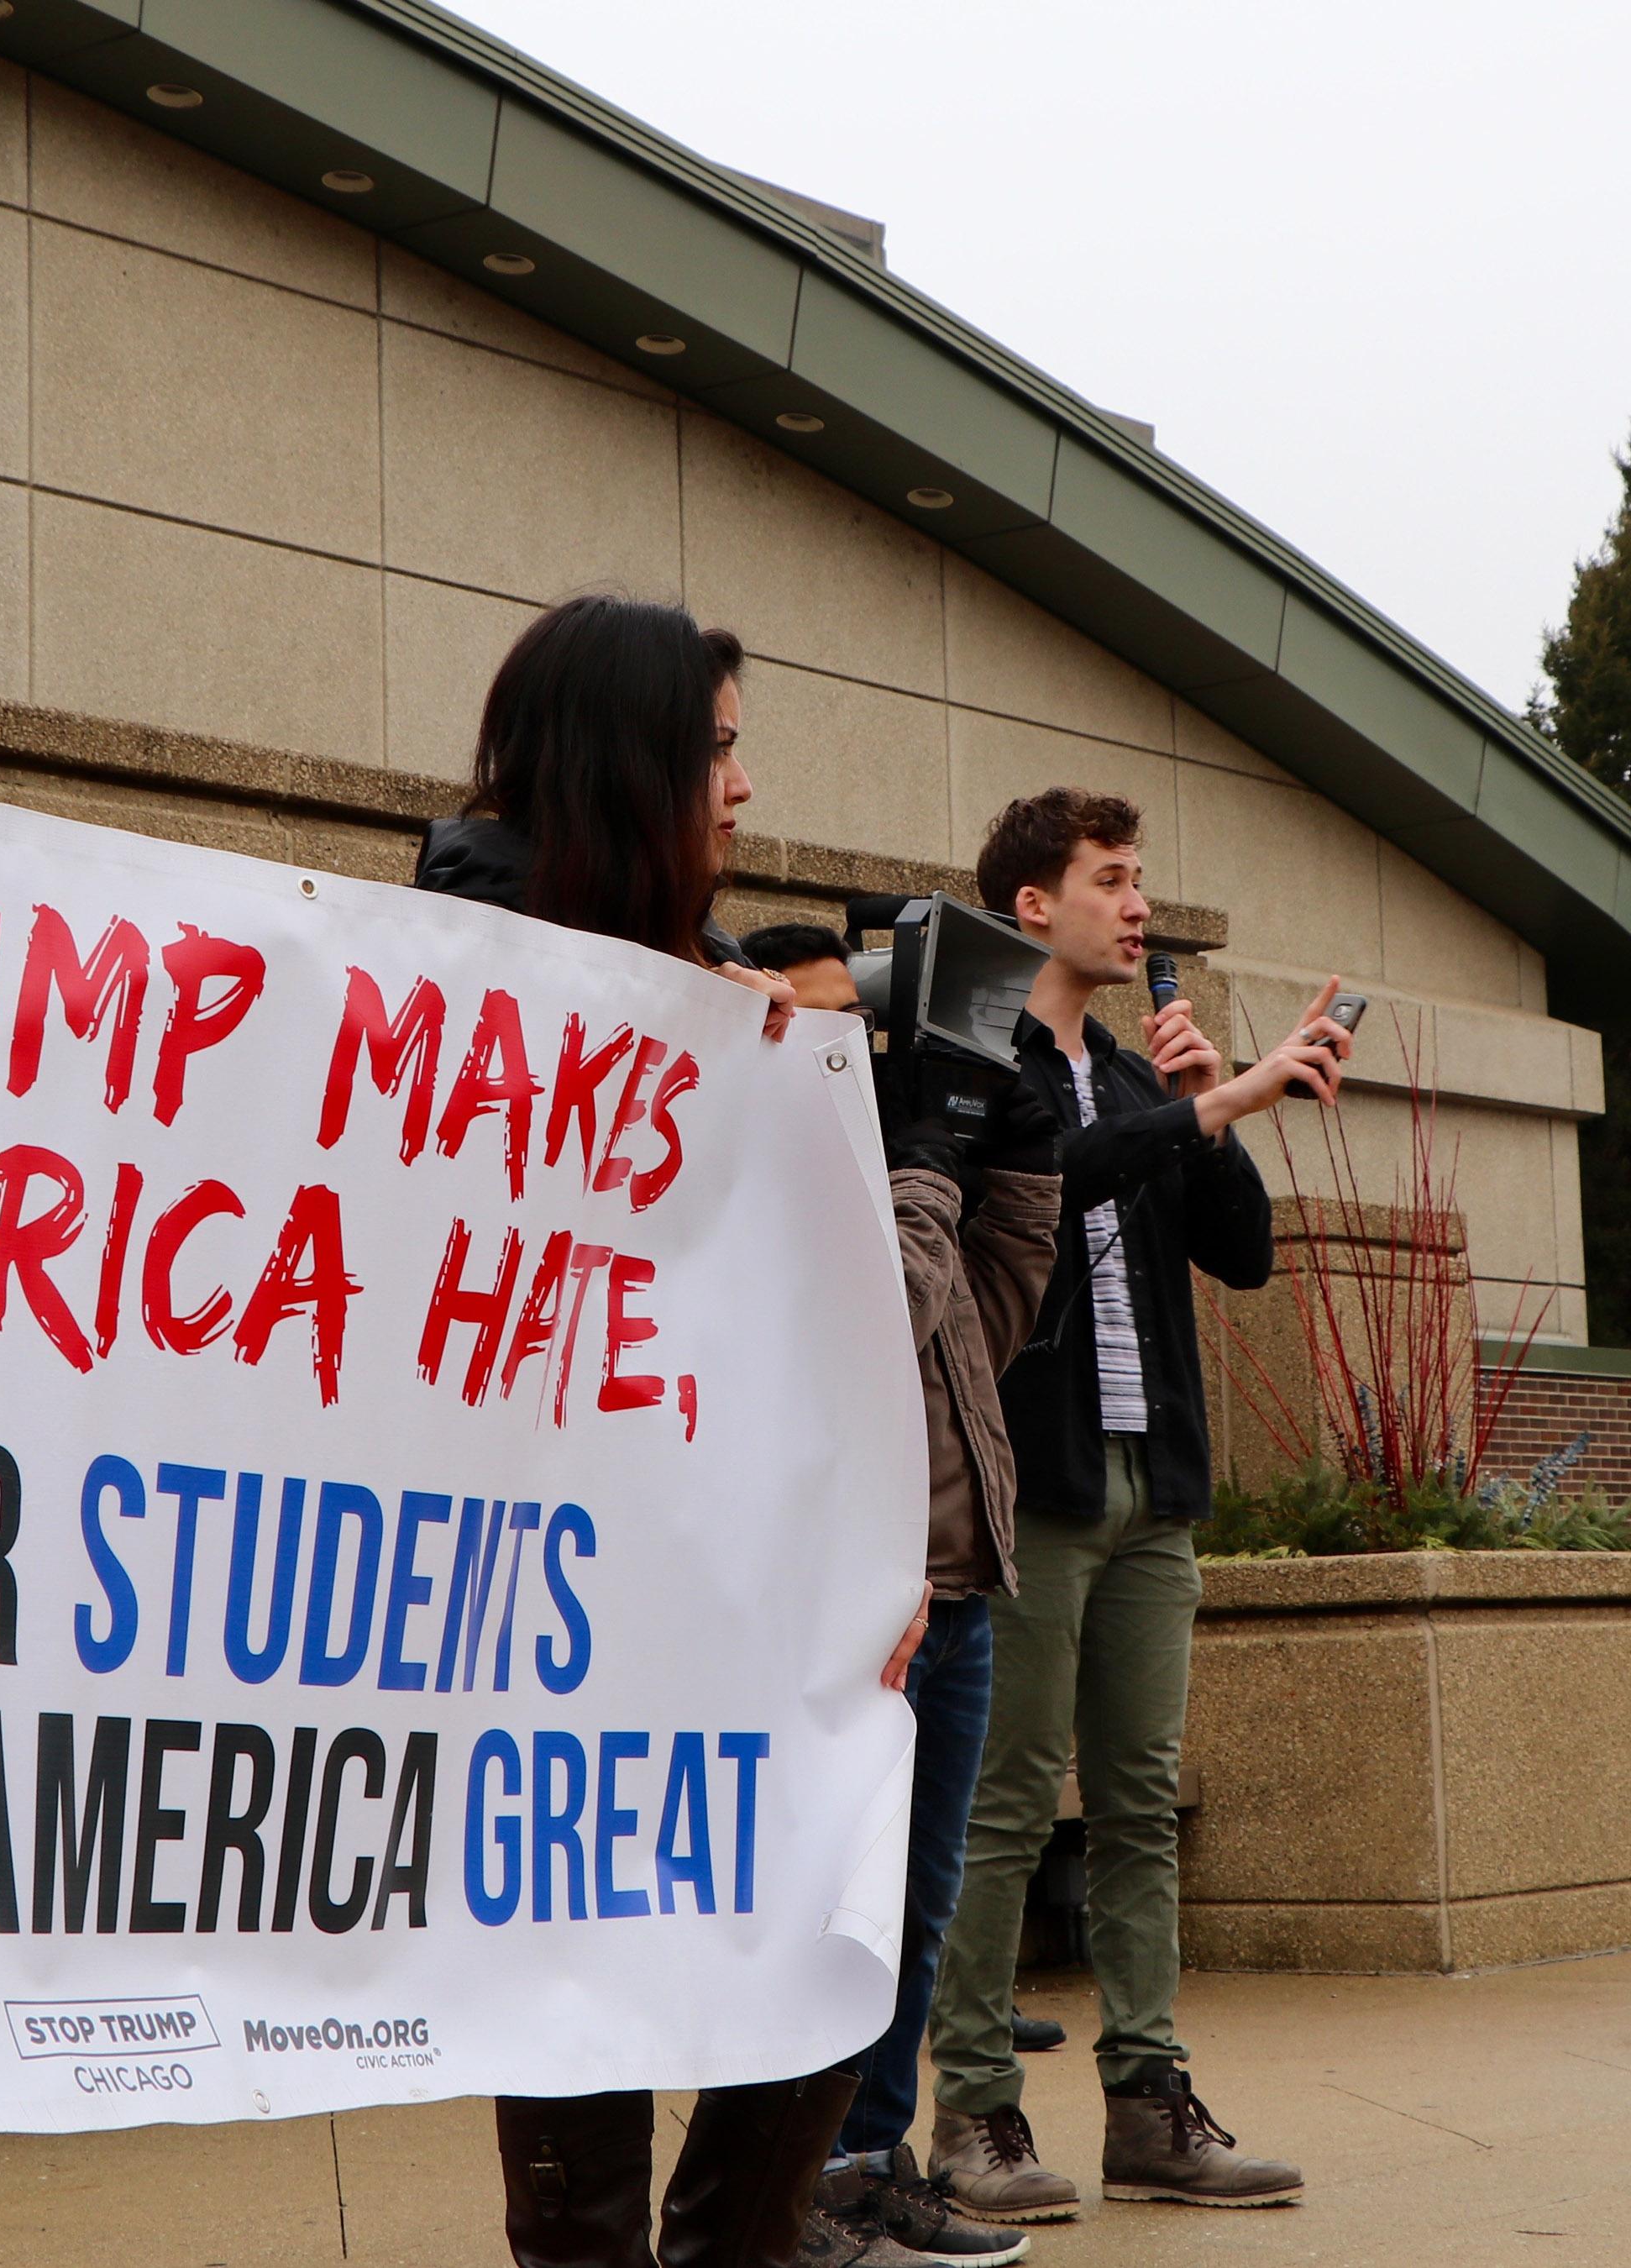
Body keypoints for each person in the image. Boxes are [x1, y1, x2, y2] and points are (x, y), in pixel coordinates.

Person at [415, 600, 924, 2268]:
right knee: (581, 2042)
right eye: (715, 749)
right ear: (629, 763)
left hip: (741, 1615)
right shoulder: (457, 990)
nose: (746, 789)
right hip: (543, 1645)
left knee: (825, 1942)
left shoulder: (728, 1007)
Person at [926, 791, 1348, 2223]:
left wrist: (1208, 1114)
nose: (1139, 907)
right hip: (1033, 1484)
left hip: (1149, 1482)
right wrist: (1204, 1107)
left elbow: (1243, 1258)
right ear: (1032, 906)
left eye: (1143, 880)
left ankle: (1149, 2104)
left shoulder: (1139, 1073)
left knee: (1138, 1807)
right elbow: (1063, 1172)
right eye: (1113, 880)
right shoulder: (978, 1063)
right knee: (1003, 1805)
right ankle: (973, 2114)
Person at [741, 925, 1055, 2267]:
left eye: (849, 1036)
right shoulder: (778, 1193)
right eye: (808, 1034)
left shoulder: (891, 1173)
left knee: (915, 1913)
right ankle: (785, 2188)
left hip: (958, 1595)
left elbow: (990, 1300)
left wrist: (1020, 1151)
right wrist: (927, 1156)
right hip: (847, 1610)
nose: (841, 1063)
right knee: (828, 1911)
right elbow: (888, 1308)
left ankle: (871, 2165)